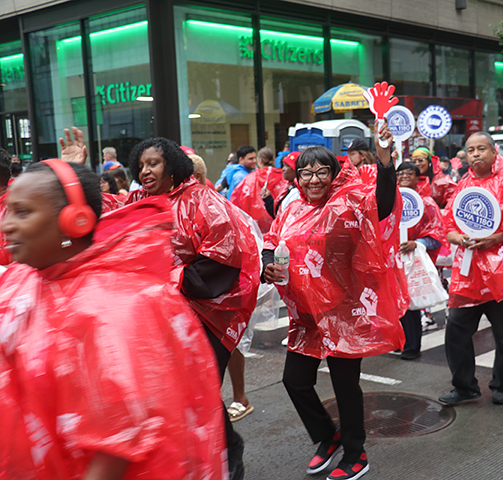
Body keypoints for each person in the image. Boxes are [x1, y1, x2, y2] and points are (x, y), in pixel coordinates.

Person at [0, 160, 225, 479]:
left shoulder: (115, 307)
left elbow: (118, 444)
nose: (6, 225)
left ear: (73, 220)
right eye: (8, 210)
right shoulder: (23, 280)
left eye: (23, 212)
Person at [262, 122, 403, 480]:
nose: (313, 180)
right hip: (305, 315)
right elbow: (272, 239)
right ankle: (328, 435)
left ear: (333, 173)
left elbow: (383, 204)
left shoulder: (349, 202)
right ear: (297, 178)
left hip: (343, 312)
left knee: (345, 386)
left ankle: (356, 453)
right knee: (295, 381)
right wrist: (267, 264)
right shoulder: (291, 208)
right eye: (305, 173)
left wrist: (384, 157)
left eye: (321, 172)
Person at [126, 138, 260, 480]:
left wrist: (168, 277)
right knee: (183, 391)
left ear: (172, 166)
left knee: (200, 389)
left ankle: (228, 454)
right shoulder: (138, 202)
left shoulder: (202, 200)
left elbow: (224, 257)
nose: (145, 171)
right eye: (141, 165)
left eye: (153, 163)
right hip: (165, 314)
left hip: (211, 312)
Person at [439, 132, 503, 407]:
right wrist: (458, 238)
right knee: (456, 328)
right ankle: (464, 386)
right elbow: (448, 226)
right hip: (468, 272)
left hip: (501, 271)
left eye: (481, 148)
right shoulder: (464, 183)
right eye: (471, 149)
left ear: (494, 152)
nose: (476, 154)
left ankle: (501, 384)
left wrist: (495, 238)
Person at [395, 161, 447, 360]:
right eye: (401, 173)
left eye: (410, 173)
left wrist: (416, 243)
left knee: (411, 304)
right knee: (395, 303)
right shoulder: (390, 200)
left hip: (413, 260)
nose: (404, 176)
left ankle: (412, 346)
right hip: (393, 259)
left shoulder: (427, 203)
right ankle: (400, 341)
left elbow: (437, 235)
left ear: (418, 177)